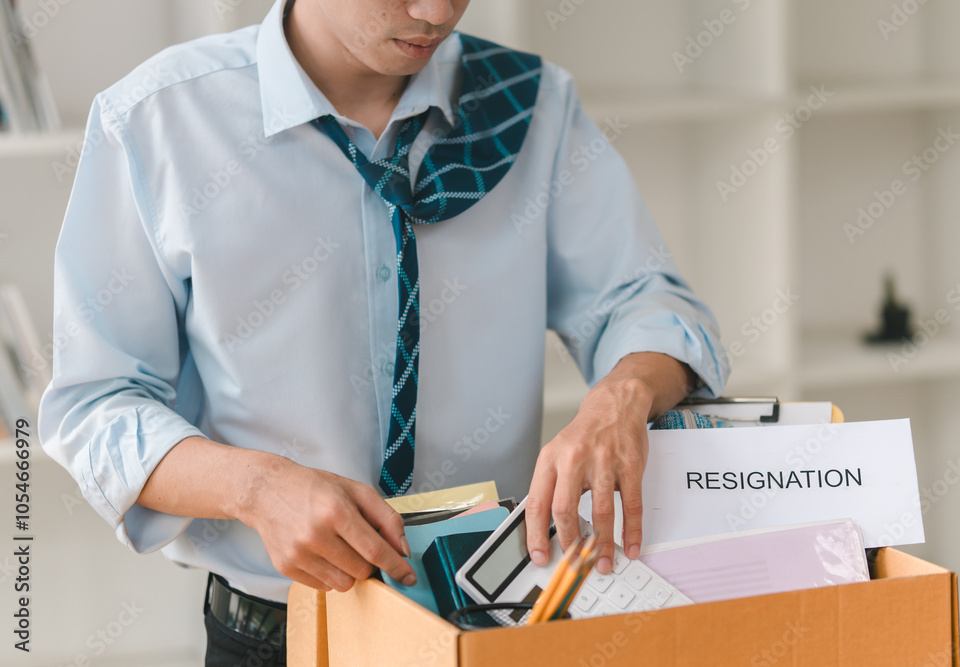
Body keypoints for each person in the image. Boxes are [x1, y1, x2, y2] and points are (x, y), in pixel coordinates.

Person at [38, 0, 728, 663]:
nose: (436, 13)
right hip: (279, 634)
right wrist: (256, 487)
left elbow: (645, 301)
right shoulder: (158, 120)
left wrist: (623, 395)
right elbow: (95, 406)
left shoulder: (529, 105)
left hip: (499, 620)